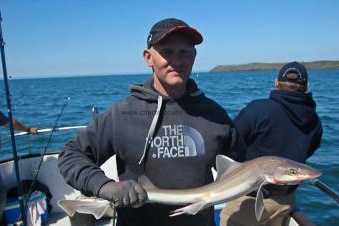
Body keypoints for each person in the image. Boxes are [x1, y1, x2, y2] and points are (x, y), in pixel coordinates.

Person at [58, 18, 246, 226]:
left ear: (194, 57)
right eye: (167, 52)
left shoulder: (215, 115)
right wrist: (103, 186)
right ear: (148, 57)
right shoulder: (122, 114)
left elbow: (244, 167)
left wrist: (277, 184)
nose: (177, 60)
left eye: (185, 52)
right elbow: (71, 154)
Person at [220, 62, 323, 226]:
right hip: (284, 201)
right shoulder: (315, 121)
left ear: (276, 82)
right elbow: (308, 152)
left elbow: (230, 142)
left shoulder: (259, 109)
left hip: (249, 202)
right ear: (306, 86)